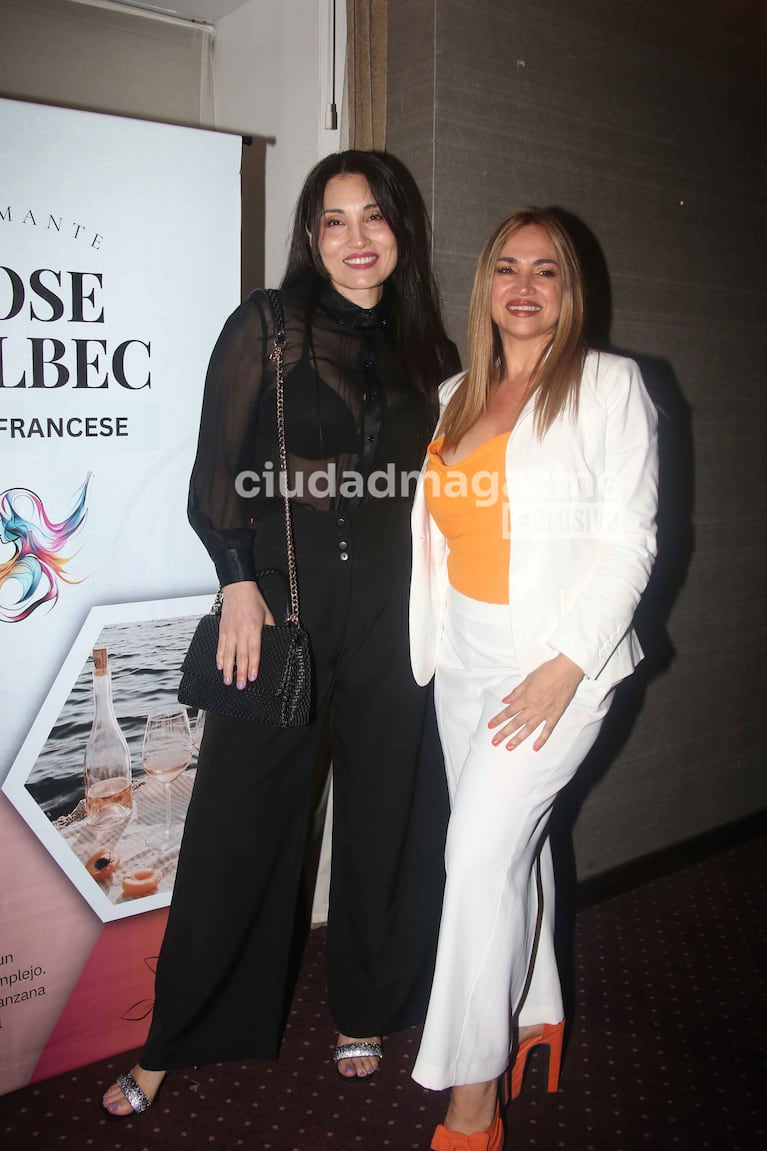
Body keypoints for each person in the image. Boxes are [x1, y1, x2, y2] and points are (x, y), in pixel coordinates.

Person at [103, 149, 459, 1116]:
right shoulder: (265, 324)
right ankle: (174, 1038)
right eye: (334, 220)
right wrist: (238, 585)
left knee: (389, 822)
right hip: (282, 617)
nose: (356, 238)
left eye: (374, 217)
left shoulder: (429, 352)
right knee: (235, 828)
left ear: (401, 232)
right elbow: (217, 475)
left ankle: (365, 1006)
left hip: (395, 628)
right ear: (310, 236)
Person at [408, 208, 658, 1150]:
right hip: (461, 661)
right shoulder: (454, 395)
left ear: (569, 289)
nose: (522, 285)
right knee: (516, 844)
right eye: (506, 268)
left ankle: (471, 1104)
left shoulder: (607, 386)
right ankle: (536, 1009)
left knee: (473, 859)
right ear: (485, 287)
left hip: (553, 664)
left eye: (544, 271)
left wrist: (565, 666)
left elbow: (630, 540)